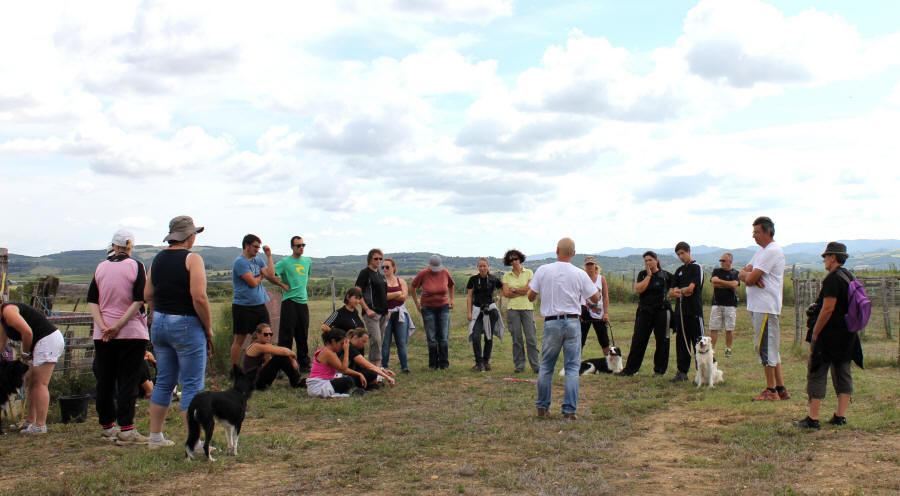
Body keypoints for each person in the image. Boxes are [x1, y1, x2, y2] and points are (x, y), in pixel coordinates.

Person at [144, 215, 213, 449]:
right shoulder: (193, 259)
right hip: (186, 323)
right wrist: (208, 327)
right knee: (192, 384)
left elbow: (147, 294)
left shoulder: (157, 260)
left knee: (164, 381)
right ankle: (194, 442)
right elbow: (199, 297)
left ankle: (155, 437)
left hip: (160, 323)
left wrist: (157, 315)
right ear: (188, 237)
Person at [87, 229, 150, 444]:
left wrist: (104, 326)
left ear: (114, 247)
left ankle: (107, 427)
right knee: (128, 381)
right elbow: (139, 299)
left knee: (105, 380)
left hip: (102, 334)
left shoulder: (100, 267)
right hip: (131, 331)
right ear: (130, 247)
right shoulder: (137, 266)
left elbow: (92, 300)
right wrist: (119, 325)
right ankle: (126, 429)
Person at [527, 238, 600, 420]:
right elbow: (595, 298)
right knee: (572, 367)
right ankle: (569, 411)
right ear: (573, 253)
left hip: (551, 322)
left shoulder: (543, 270)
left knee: (546, 366)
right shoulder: (580, 274)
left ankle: (542, 408)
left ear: (557, 250)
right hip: (573, 322)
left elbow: (530, 296)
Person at [794, 243, 863, 429]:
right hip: (848, 333)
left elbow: (828, 307)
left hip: (829, 334)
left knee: (817, 371)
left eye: (826, 256)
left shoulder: (833, 278)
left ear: (833, 257)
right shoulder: (849, 275)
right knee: (843, 372)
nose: (824, 260)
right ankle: (840, 416)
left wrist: (816, 331)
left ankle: (813, 418)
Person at [739, 216, 789, 401]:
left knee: (765, 347)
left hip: (765, 306)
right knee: (771, 347)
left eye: (757, 232)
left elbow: (749, 278)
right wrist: (748, 274)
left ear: (768, 232)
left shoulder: (772, 251)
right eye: (753, 232)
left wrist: (749, 277)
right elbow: (744, 272)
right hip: (759, 306)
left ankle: (771, 390)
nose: (754, 236)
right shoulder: (761, 251)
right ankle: (781, 388)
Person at [0, 302, 65, 434]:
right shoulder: (2, 318)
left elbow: (27, 332)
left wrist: (25, 353)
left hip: (47, 341)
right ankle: (30, 422)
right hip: (38, 343)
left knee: (40, 383)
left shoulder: (8, 311)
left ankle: (40, 425)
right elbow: (2, 341)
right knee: (31, 382)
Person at [618, 251, 672, 377]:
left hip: (662, 312)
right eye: (645, 260)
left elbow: (675, 288)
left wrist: (670, 295)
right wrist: (648, 276)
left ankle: (659, 371)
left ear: (656, 260)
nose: (647, 262)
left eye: (650, 260)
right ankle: (631, 369)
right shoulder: (643, 274)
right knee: (638, 340)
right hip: (644, 311)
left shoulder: (666, 275)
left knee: (662, 341)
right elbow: (639, 289)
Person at [230, 234, 279, 369]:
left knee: (266, 337)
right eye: (255, 247)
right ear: (246, 245)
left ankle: (267, 369)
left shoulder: (258, 260)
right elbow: (252, 282)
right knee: (240, 339)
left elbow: (270, 274)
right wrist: (261, 276)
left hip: (260, 305)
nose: (257, 250)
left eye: (259, 247)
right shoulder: (240, 262)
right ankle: (235, 370)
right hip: (243, 306)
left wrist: (269, 256)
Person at [273, 235, 312, 371]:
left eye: (303, 245)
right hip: (289, 302)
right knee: (286, 336)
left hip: (302, 302)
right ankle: (282, 365)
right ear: (292, 247)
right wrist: (281, 284)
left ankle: (304, 364)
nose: (301, 248)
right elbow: (269, 273)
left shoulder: (307, 261)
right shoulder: (285, 262)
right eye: (298, 245)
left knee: (302, 335)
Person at [410, 255, 455, 370]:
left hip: (443, 307)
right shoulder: (423, 274)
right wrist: (417, 304)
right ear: (429, 266)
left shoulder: (445, 272)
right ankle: (433, 364)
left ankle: (444, 364)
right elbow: (413, 286)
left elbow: (451, 285)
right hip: (428, 308)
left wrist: (452, 300)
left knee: (443, 336)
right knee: (432, 337)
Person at [669, 242, 704, 383]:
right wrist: (681, 291)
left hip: (694, 312)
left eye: (682, 253)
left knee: (699, 343)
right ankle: (682, 372)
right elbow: (672, 292)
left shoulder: (697, 268)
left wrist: (680, 291)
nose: (681, 256)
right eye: (678, 254)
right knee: (682, 344)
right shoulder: (679, 270)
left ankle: (701, 373)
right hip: (680, 313)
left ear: (689, 251)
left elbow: (691, 290)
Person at [502, 249, 539, 373]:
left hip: (527, 309)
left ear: (520, 259)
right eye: (511, 259)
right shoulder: (506, 276)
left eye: (516, 259)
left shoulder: (529, 272)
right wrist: (521, 291)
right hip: (513, 310)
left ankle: (536, 366)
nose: (514, 261)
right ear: (509, 262)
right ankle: (519, 366)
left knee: (531, 339)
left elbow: (528, 290)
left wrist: (514, 290)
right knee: (517, 339)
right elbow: (506, 293)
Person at [466, 258, 504, 371]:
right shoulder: (473, 279)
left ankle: (486, 362)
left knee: (489, 336)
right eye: (480, 266)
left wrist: (498, 297)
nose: (482, 268)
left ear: (488, 267)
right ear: (477, 267)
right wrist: (469, 312)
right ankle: (479, 363)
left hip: (491, 311)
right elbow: (469, 296)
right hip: (477, 311)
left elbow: (503, 288)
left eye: (484, 266)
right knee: (476, 336)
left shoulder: (493, 279)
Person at [307, 328, 367, 398]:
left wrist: (359, 374)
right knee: (347, 380)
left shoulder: (330, 352)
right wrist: (347, 350)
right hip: (318, 387)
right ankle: (352, 392)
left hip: (321, 384)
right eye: (341, 344)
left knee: (348, 378)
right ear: (333, 341)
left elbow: (343, 369)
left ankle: (353, 391)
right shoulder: (328, 353)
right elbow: (343, 369)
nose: (342, 346)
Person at [242, 323, 303, 390]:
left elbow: (267, 363)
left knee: (281, 356)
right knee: (280, 357)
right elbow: (284, 351)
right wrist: (294, 357)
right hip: (254, 382)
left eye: (270, 334)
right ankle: (297, 382)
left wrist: (292, 359)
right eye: (265, 334)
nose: (268, 336)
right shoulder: (256, 346)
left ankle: (297, 380)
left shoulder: (264, 345)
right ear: (258, 335)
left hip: (256, 380)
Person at [355, 249, 389, 367]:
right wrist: (366, 309)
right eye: (376, 258)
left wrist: (387, 310)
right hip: (371, 313)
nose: (378, 261)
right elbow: (357, 292)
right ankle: (373, 369)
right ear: (370, 259)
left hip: (383, 313)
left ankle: (376, 369)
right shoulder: (365, 273)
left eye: (380, 259)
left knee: (380, 341)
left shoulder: (380, 274)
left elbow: (383, 294)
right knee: (376, 340)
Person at [382, 258, 413, 373]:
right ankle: (384, 367)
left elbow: (404, 297)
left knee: (401, 341)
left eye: (387, 267)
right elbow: (381, 297)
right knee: (386, 343)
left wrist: (389, 295)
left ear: (394, 268)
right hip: (386, 314)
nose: (384, 269)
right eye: (383, 267)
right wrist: (397, 293)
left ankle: (404, 367)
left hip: (400, 313)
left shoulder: (401, 281)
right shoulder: (381, 281)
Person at [709, 253, 740, 357]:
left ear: (730, 261)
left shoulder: (735, 272)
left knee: (729, 328)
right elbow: (714, 283)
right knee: (714, 328)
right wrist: (729, 284)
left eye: (723, 261)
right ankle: (711, 350)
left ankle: (728, 349)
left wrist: (720, 282)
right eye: (720, 261)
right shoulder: (716, 271)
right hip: (716, 304)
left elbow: (735, 285)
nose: (721, 263)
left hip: (730, 305)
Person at [580, 256, 610, 355]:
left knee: (604, 340)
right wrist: (577, 314)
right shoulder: (581, 278)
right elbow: (576, 296)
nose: (590, 266)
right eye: (588, 264)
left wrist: (606, 313)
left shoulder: (601, 279)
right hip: (584, 311)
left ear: (595, 265)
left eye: (592, 264)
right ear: (585, 266)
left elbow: (605, 297)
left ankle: (609, 364)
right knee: (580, 340)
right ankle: (575, 364)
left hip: (599, 312)